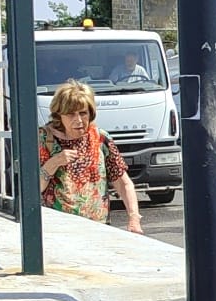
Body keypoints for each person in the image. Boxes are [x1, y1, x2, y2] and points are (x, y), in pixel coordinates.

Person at [40, 80, 142, 234]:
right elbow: (33, 189)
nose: (79, 120)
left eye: (83, 113)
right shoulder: (43, 138)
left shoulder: (100, 138)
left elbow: (123, 182)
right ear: (58, 114)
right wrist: (54, 162)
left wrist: (134, 218)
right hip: (58, 231)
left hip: (98, 230)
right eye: (70, 114)